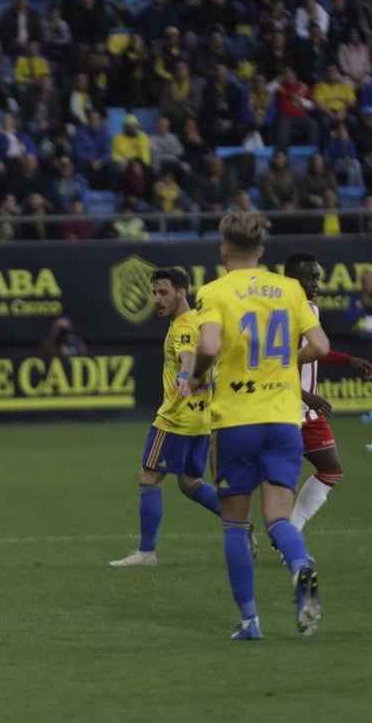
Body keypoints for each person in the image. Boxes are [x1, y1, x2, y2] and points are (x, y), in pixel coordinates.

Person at [193, 211, 329, 640]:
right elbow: (321, 345)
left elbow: (210, 344)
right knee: (278, 518)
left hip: (237, 420)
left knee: (235, 522)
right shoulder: (289, 289)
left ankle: (251, 621)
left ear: (223, 249)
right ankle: (301, 566)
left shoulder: (214, 291)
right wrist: (288, 361)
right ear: (262, 251)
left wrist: (196, 374)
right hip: (284, 419)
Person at [110, 268, 257, 567]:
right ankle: (239, 521)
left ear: (181, 292)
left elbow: (188, 355)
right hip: (202, 419)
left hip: (175, 417)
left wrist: (185, 376)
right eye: (153, 292)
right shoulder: (202, 320)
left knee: (149, 478)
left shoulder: (183, 325)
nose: (156, 299)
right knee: (190, 483)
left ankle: (147, 553)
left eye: (163, 292)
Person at [283, 253, 372, 531]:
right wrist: (303, 393)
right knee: (281, 482)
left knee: (331, 470)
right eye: (309, 277)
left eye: (317, 277)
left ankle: (290, 531)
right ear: (291, 279)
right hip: (284, 408)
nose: (316, 283)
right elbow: (275, 363)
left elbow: (315, 350)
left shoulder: (309, 308)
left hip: (307, 412)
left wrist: (349, 360)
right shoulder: (284, 313)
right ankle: (262, 529)